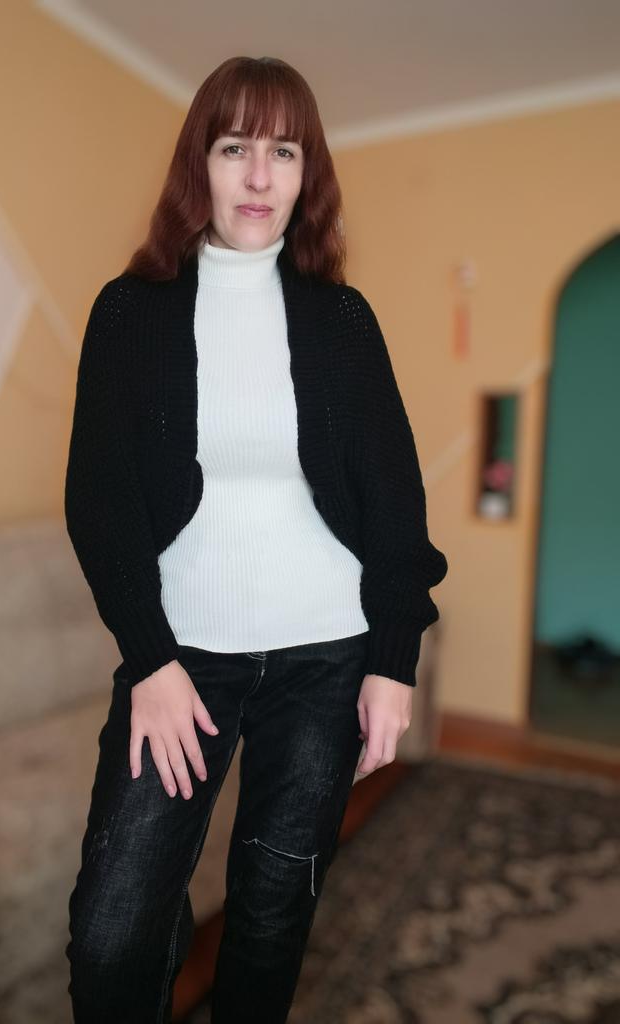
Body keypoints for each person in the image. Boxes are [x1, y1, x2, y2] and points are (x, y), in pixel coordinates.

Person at [63, 55, 448, 1024]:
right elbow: (99, 502)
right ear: (200, 162)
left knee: (272, 923)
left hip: (326, 657)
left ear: (308, 173)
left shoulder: (341, 320)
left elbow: (395, 501)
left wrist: (392, 661)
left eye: (285, 151)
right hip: (180, 665)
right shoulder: (130, 312)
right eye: (236, 147)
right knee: (112, 931)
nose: (260, 175)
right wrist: (150, 660)